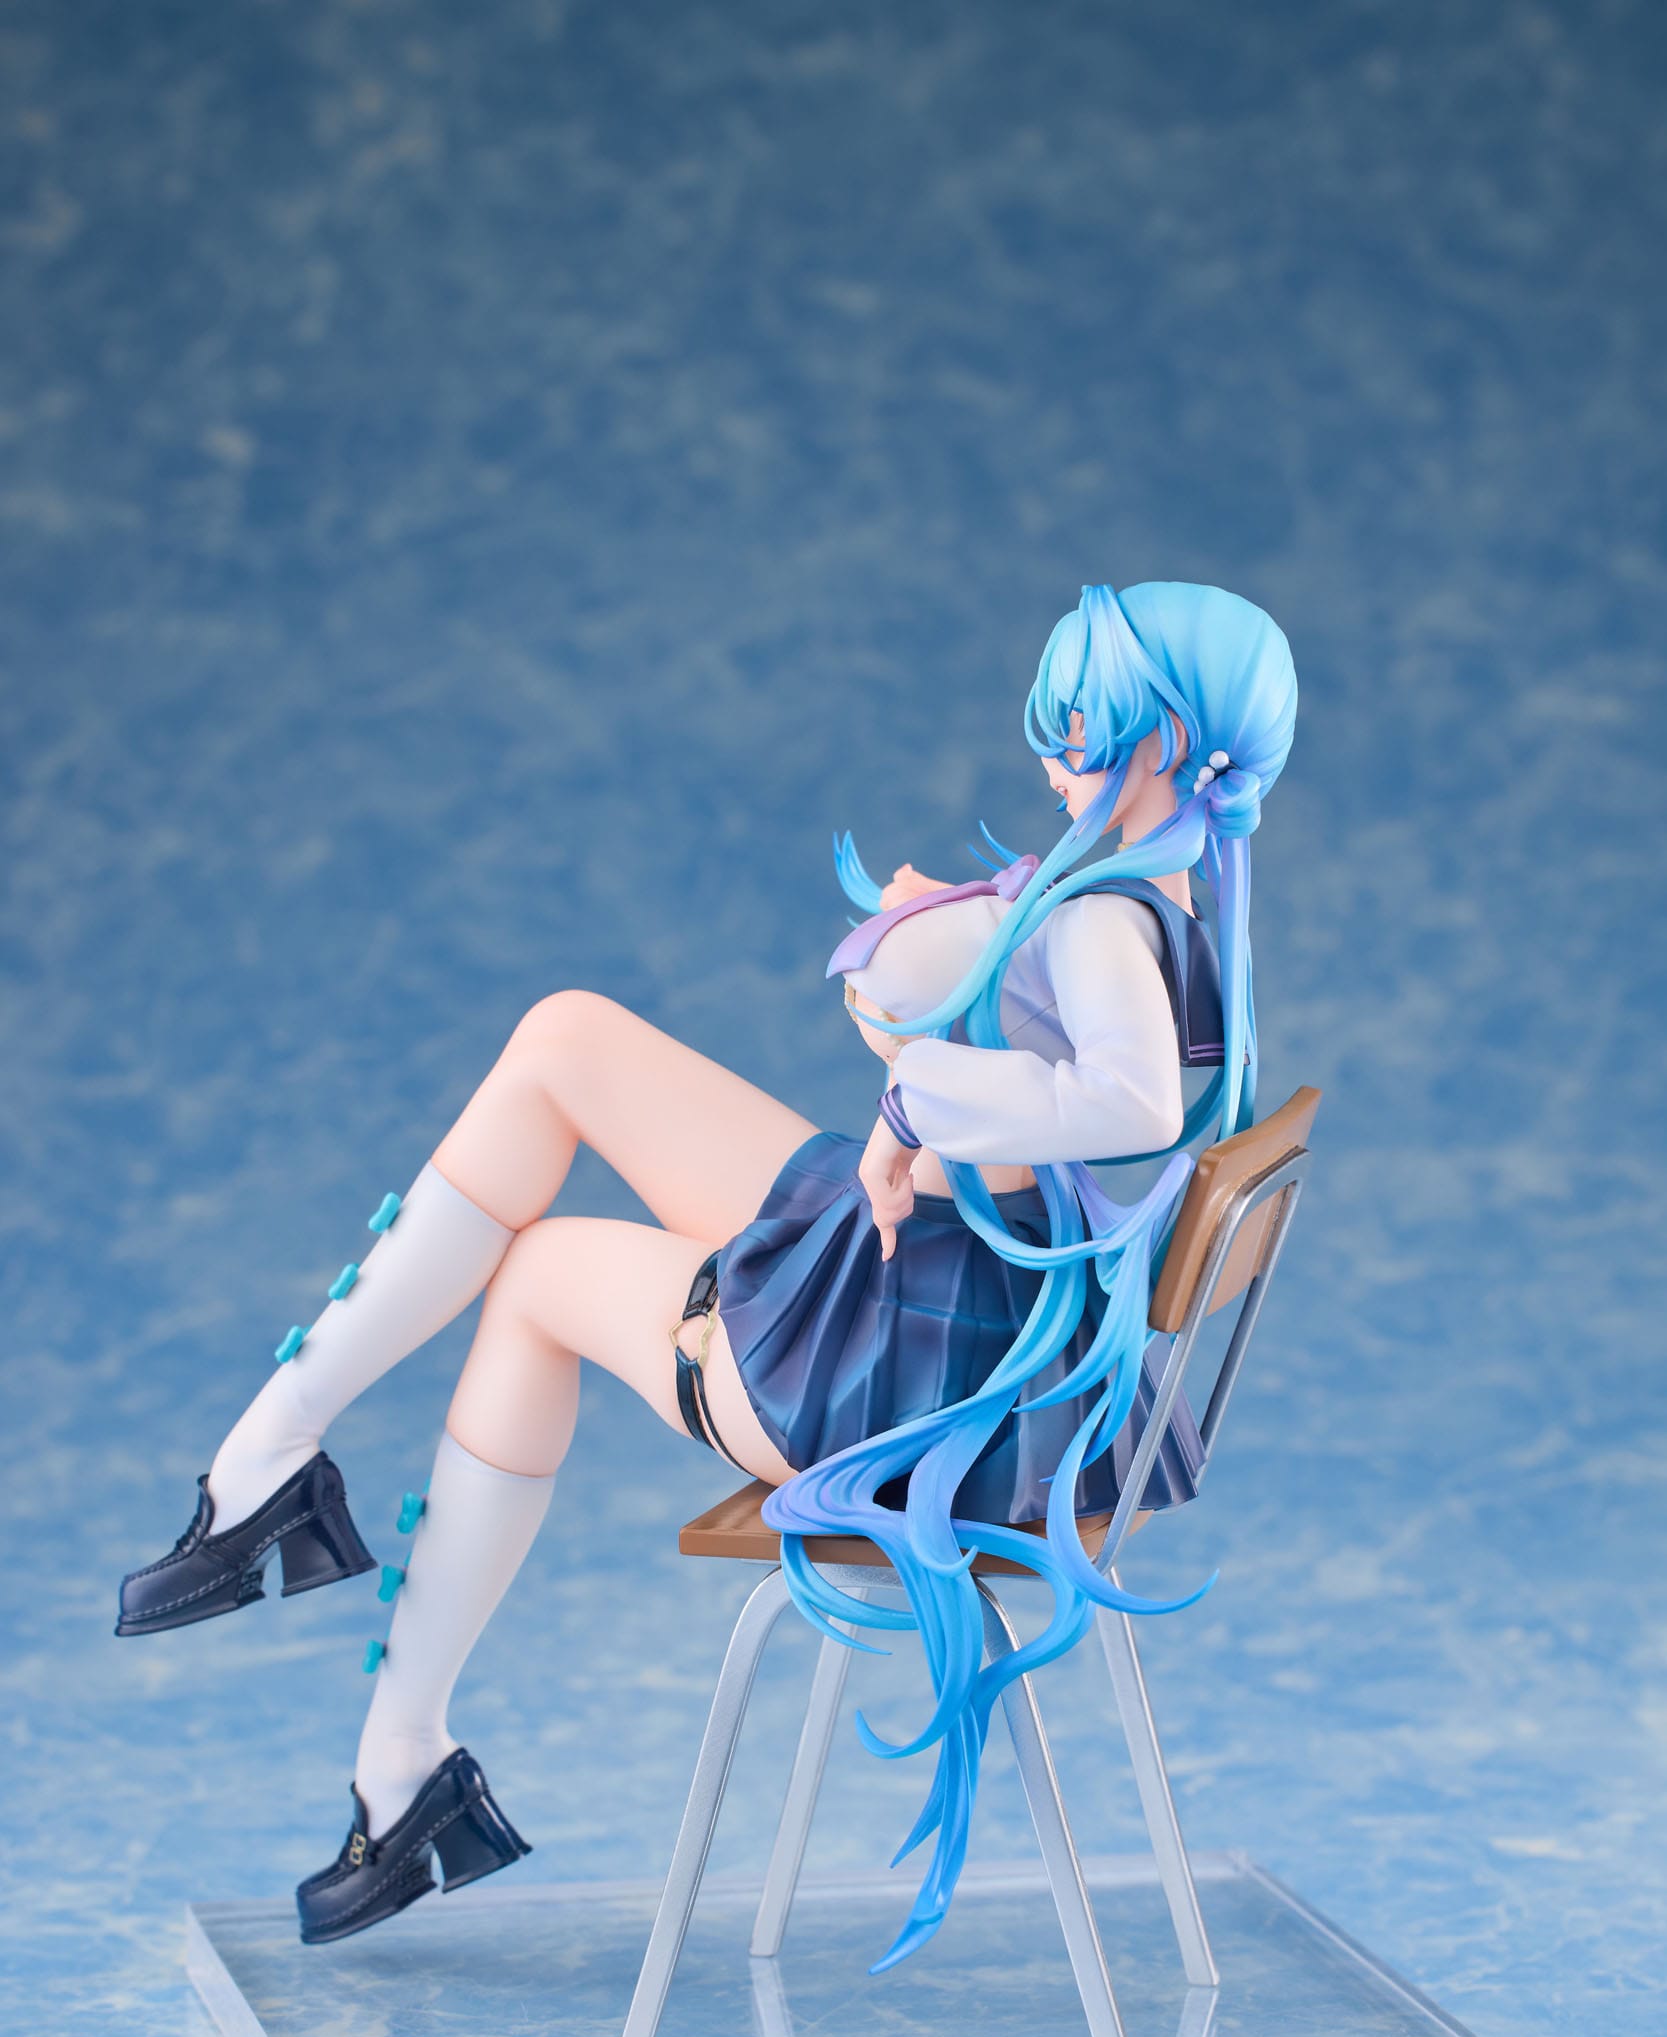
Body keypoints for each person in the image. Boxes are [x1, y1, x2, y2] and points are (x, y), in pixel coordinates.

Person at [115, 580, 1298, 1963]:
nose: (1052, 756)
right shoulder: (1160, 899)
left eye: (1080, 727)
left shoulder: (1106, 920)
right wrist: (958, 955)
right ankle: (277, 1467)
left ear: (1171, 739)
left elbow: (1131, 1105)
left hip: (909, 1366)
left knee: (536, 1277)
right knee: (567, 1039)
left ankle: (391, 1740)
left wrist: (919, 1089)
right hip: (938, 1283)